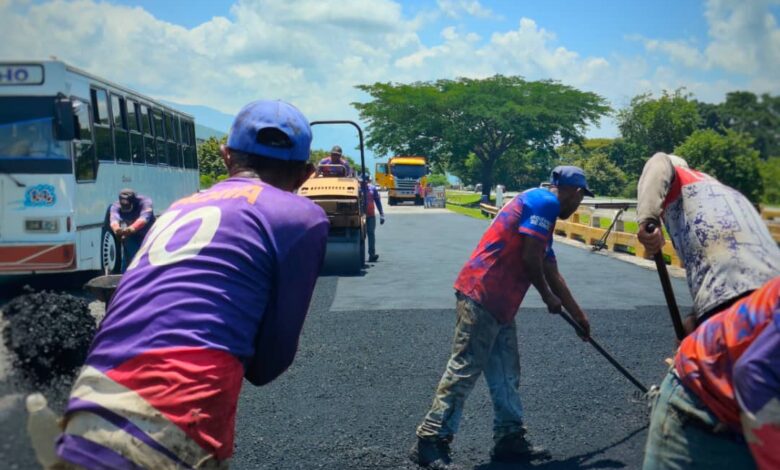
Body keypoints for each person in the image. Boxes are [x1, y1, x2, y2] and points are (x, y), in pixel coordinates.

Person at [53, 100, 329, 469]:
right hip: (173, 420)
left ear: (226, 156)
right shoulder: (302, 216)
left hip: (88, 406)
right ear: (306, 175)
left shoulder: (180, 208)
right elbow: (268, 365)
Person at [410, 166, 593, 469]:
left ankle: (509, 438)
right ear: (575, 192)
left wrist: (578, 316)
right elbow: (530, 258)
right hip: (482, 293)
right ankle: (430, 440)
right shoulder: (545, 203)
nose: (577, 206)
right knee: (465, 367)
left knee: (506, 371)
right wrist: (548, 297)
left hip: (501, 302)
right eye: (580, 199)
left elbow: (549, 268)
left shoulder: (539, 206)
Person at [636, 152, 780, 469]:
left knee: (722, 367)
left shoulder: (683, 179)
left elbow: (659, 162)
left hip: (726, 288)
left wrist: (647, 219)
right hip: (766, 291)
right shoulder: (731, 195)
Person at [109, 189, 154, 272]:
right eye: (123, 207)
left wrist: (130, 229)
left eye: (128, 207)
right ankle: (125, 276)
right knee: (130, 260)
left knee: (147, 260)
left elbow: (143, 219)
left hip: (149, 235)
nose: (126, 209)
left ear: (134, 202)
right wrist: (117, 230)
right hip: (132, 236)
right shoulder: (115, 206)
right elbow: (113, 220)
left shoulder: (145, 202)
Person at [362, 174, 385, 262]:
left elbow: (378, 202)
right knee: (361, 235)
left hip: (371, 215)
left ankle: (372, 254)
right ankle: (360, 255)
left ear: (368, 181)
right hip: (361, 216)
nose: (364, 183)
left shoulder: (373, 189)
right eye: (362, 181)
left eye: (366, 181)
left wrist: (381, 214)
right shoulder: (357, 189)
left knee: (371, 234)